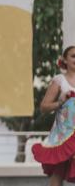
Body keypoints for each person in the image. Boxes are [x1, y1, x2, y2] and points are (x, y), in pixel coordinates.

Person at [32, 46, 75, 186]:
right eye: (73, 56)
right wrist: (60, 102)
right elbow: (44, 107)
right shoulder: (60, 80)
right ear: (65, 60)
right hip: (64, 134)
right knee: (58, 172)